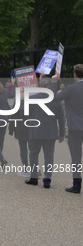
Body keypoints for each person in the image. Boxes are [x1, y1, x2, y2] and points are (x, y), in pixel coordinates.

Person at [24, 77, 65, 188]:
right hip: (50, 132)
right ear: (48, 87)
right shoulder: (56, 99)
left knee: (33, 155)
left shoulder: (31, 98)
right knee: (49, 155)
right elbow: (61, 118)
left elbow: (25, 114)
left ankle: (33, 177)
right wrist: (62, 133)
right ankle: (47, 179)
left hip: (35, 130)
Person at [55, 64, 83, 193]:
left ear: (75, 74)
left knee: (76, 158)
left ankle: (77, 185)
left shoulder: (71, 89)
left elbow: (55, 98)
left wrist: (55, 82)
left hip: (75, 128)